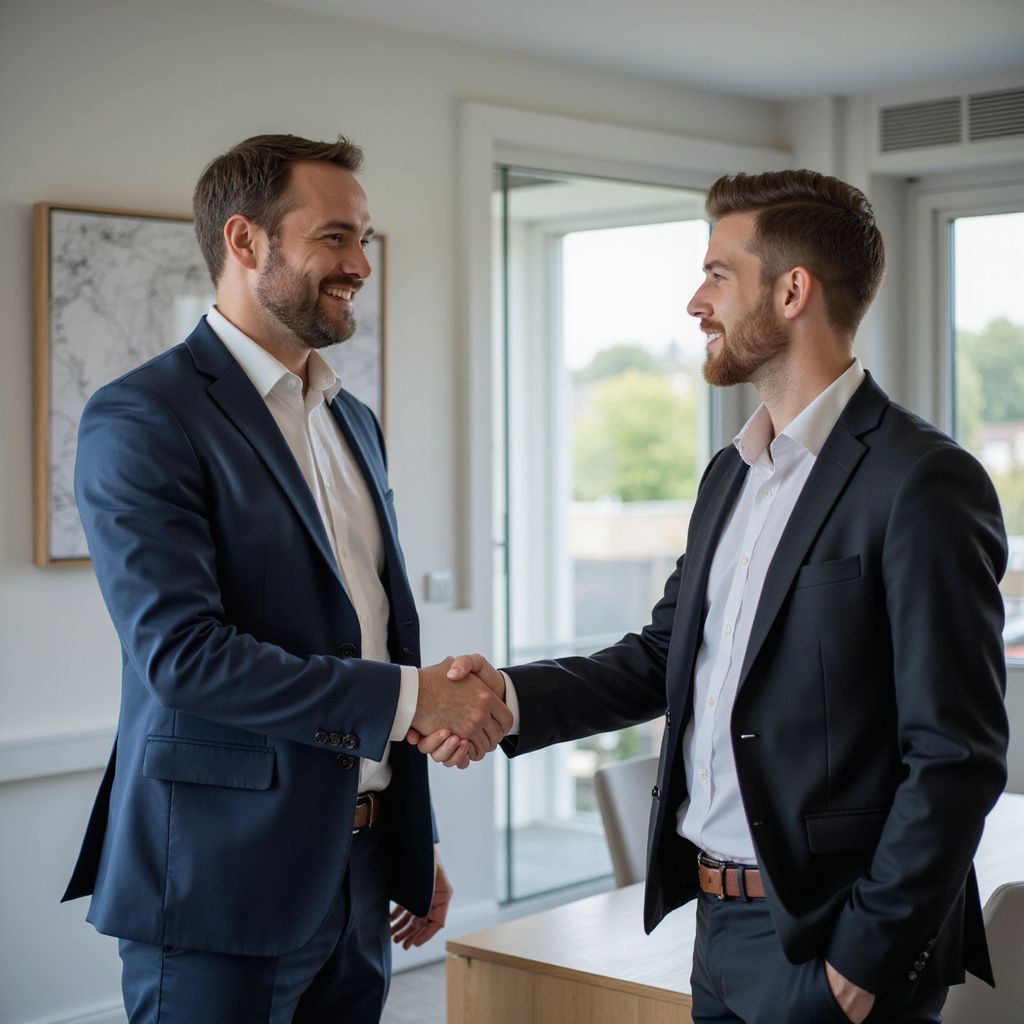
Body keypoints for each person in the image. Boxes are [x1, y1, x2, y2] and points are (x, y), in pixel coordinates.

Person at [416, 170, 1009, 1023]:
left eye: (718, 275)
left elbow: (956, 754)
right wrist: (505, 697)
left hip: (833, 939)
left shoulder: (922, 480)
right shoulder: (730, 475)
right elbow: (664, 657)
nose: (697, 303)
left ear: (793, 292)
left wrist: (863, 960)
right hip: (716, 929)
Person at [62, 133, 511, 1023]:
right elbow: (185, 658)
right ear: (245, 240)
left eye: (364, 241)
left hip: (363, 874)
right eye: (334, 238)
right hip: (218, 884)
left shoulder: (355, 421)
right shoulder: (143, 416)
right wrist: (412, 699)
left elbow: (366, 631)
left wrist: (407, 835)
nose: (360, 266)